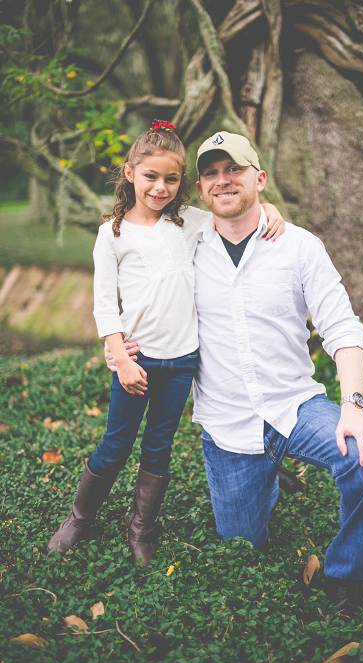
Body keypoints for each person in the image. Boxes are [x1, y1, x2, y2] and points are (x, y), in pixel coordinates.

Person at [110, 131, 363, 619]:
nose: (223, 180)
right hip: (227, 422)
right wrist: (122, 343)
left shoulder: (299, 246)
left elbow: (343, 327)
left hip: (294, 406)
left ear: (259, 179)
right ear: (199, 191)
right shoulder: (184, 244)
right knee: (241, 543)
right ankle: (268, 476)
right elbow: (132, 272)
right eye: (212, 173)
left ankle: (348, 577)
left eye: (234, 170)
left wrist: (353, 406)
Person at [47, 122, 285, 566]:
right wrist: (119, 357)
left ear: (181, 183)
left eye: (171, 179)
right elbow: (104, 305)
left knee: (158, 447)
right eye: (151, 176)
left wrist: (268, 207)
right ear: (130, 173)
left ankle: (142, 528)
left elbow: (235, 209)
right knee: (116, 445)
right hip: (136, 363)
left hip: (181, 363)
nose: (160, 187)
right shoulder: (112, 233)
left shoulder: (190, 222)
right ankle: (80, 518)